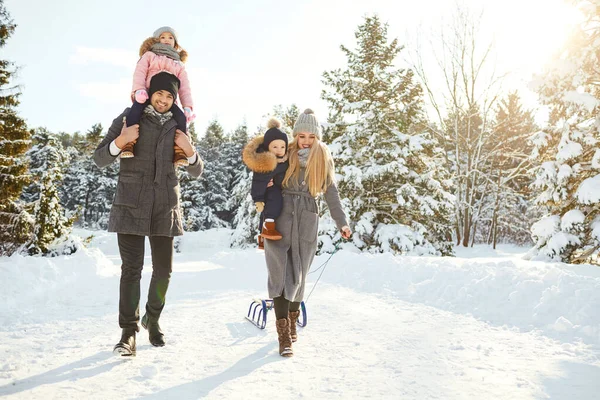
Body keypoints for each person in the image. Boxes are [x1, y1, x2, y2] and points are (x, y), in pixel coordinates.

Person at [93, 71, 204, 357]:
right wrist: (121, 141)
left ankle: (152, 318)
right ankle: (128, 332)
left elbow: (196, 169)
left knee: (164, 272)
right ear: (149, 93)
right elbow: (99, 158)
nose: (164, 100)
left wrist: (190, 152)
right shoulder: (129, 118)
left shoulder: (180, 125)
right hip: (131, 203)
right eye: (160, 94)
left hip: (164, 206)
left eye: (170, 96)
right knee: (131, 270)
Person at [264, 108, 352, 357]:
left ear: (317, 137)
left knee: (298, 274)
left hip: (307, 219)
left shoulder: (322, 159)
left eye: (311, 137)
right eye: (301, 135)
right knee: (279, 272)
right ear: (295, 135)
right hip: (280, 215)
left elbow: (331, 194)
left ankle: (292, 322)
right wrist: (264, 185)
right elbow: (260, 166)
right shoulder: (284, 151)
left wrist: (342, 223)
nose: (305, 141)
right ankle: (283, 335)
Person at [122, 26, 195, 166]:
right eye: (163, 37)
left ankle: (179, 151)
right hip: (149, 94)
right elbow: (140, 73)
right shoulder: (150, 56)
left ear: (176, 43)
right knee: (135, 111)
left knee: (180, 118)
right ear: (156, 40)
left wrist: (187, 106)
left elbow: (185, 87)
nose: (167, 40)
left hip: (168, 99)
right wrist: (138, 90)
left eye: (170, 37)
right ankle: (128, 143)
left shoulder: (178, 64)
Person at [242, 117, 289, 249]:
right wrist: (258, 199)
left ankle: (263, 236)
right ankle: (268, 227)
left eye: (282, 146)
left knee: (273, 205)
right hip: (268, 190)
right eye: (275, 146)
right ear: (268, 147)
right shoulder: (266, 161)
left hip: (278, 188)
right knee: (274, 200)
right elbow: (258, 181)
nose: (279, 149)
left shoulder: (285, 159)